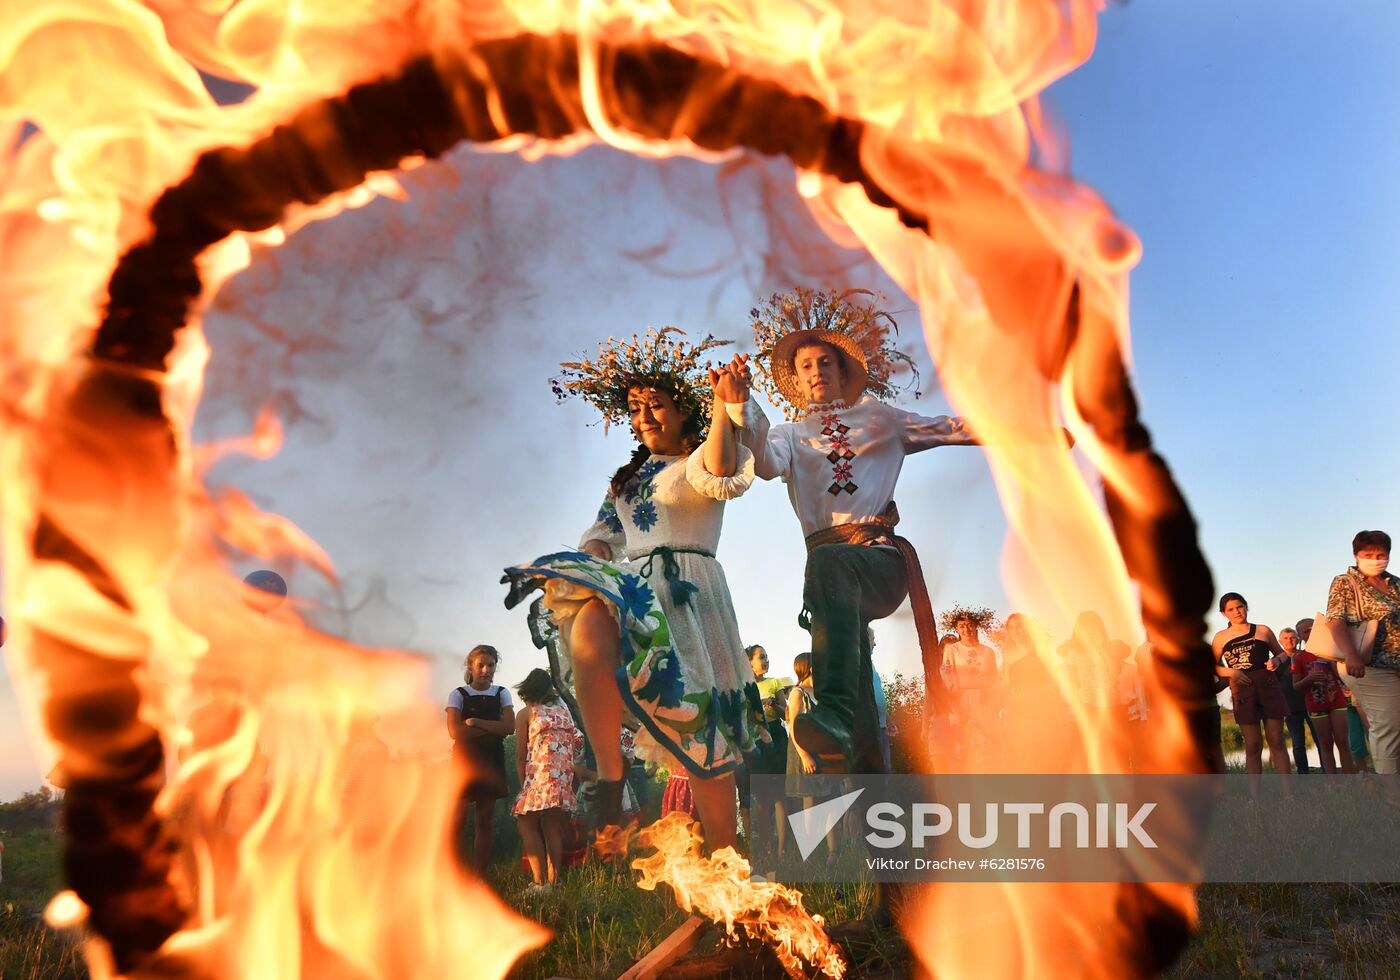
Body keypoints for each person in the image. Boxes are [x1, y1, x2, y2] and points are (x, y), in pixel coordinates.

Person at [504, 329, 765, 852]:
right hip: (640, 591)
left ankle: (724, 857)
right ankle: (609, 774)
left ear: (683, 411)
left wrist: (720, 404)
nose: (644, 416)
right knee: (589, 621)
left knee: (704, 741)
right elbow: (602, 533)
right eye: (636, 409)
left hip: (692, 590)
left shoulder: (700, 457)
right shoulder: (625, 478)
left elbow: (718, 471)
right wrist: (595, 560)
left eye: (656, 406)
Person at [721, 288, 984, 775]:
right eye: (805, 366)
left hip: (879, 561)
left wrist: (1029, 434)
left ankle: (833, 714)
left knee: (827, 566)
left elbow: (949, 427)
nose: (816, 372)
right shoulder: (791, 433)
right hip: (831, 584)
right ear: (796, 380)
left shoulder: (880, 418)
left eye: (824, 362)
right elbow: (762, 463)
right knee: (863, 702)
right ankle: (879, 821)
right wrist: (742, 406)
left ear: (842, 372)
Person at [1321, 530, 1400, 777]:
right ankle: (1392, 797)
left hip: (1396, 663)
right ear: (1356, 555)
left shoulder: (1395, 583)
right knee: (1388, 726)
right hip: (1367, 665)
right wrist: (1351, 655)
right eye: (1368, 554)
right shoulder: (1346, 582)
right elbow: (1335, 621)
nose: (1375, 559)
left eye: (1381, 554)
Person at [446, 644, 516, 872]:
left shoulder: (501, 693)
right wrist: (493, 728)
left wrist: (475, 723)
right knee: (457, 820)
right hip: (464, 761)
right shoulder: (458, 694)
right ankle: (453, 870)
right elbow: (455, 732)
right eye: (481, 665)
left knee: (484, 821)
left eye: (491, 665)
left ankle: (479, 876)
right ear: (471, 666)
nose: (486, 670)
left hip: (491, 760)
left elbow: (509, 727)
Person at [512, 668, 583, 890]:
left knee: (526, 823)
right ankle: (554, 881)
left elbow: (520, 754)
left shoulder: (527, 714)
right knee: (552, 826)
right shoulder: (564, 714)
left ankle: (539, 884)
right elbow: (574, 746)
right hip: (562, 777)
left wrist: (523, 784)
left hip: (540, 775)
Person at [1211, 593, 1291, 778]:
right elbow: (1212, 667)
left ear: (1246, 606)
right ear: (1224, 614)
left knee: (1276, 740)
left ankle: (1289, 795)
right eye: (1231, 609)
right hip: (1243, 691)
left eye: (1240, 606)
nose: (1237, 612)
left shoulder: (1263, 630)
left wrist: (1277, 661)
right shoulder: (1221, 637)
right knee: (1253, 744)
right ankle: (1255, 798)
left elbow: (1283, 654)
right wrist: (1231, 672)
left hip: (1269, 686)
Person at [785, 653, 839, 863]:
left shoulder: (820, 693)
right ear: (809, 667)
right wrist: (805, 756)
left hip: (825, 752)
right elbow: (794, 726)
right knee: (811, 802)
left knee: (832, 800)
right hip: (805, 753)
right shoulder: (798, 693)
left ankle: (833, 852)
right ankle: (809, 853)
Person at [740, 644, 791, 863]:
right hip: (755, 742)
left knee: (780, 796)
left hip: (777, 740)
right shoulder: (743, 686)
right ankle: (764, 845)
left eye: (767, 656)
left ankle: (782, 848)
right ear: (749, 662)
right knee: (761, 798)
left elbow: (787, 713)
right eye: (762, 657)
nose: (767, 660)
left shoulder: (775, 683)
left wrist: (772, 706)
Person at [939, 607, 1002, 764]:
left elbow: (994, 679)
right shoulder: (952, 651)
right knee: (967, 750)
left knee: (988, 750)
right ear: (956, 628)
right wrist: (956, 709)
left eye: (970, 625)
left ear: (976, 626)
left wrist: (993, 699)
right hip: (962, 704)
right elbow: (947, 680)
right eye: (961, 626)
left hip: (985, 703)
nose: (966, 629)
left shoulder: (988, 652)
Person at [1288, 631, 1353, 774]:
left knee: (1343, 742)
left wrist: (1331, 661)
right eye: (1306, 631)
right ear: (1300, 636)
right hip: (1315, 703)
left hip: (1337, 701)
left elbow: (1342, 677)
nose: (1311, 633)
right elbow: (1296, 686)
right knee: (1326, 744)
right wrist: (1310, 678)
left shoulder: (1331, 651)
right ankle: (1333, 782)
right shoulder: (1298, 657)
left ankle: (1351, 780)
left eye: (1313, 629)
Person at [1275, 627, 1316, 773]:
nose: (1289, 641)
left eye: (1292, 637)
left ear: (1297, 639)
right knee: (1298, 743)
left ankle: (1328, 771)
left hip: (1311, 704)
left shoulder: (1306, 656)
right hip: (1291, 708)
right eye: (1285, 638)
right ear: (1280, 641)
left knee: (1320, 739)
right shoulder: (1277, 662)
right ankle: (1303, 773)